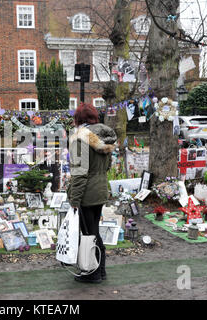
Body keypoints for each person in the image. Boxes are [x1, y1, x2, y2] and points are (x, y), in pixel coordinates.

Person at [67, 103, 117, 283]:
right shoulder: (105, 138)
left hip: (87, 192)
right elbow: (108, 165)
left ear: (78, 119)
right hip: (101, 189)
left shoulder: (80, 138)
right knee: (93, 230)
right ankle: (100, 271)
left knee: (89, 234)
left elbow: (79, 173)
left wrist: (74, 199)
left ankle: (93, 272)